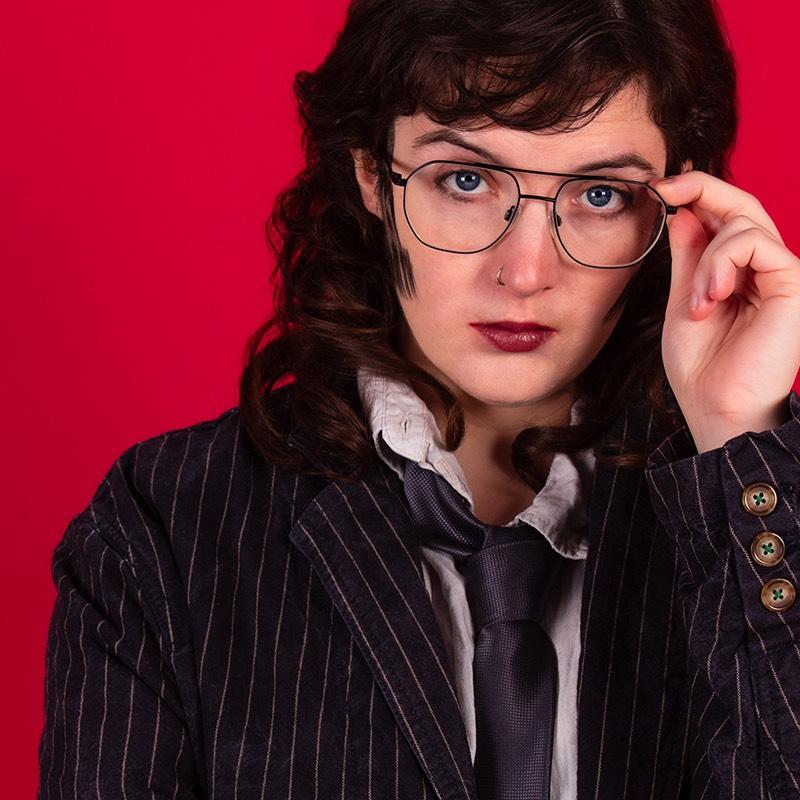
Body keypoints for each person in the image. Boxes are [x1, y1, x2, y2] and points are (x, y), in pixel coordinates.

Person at [38, 0, 800, 798]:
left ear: (681, 205)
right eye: (465, 180)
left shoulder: (762, 513)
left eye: (601, 194)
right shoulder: (164, 527)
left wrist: (741, 440)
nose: (526, 270)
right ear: (373, 172)